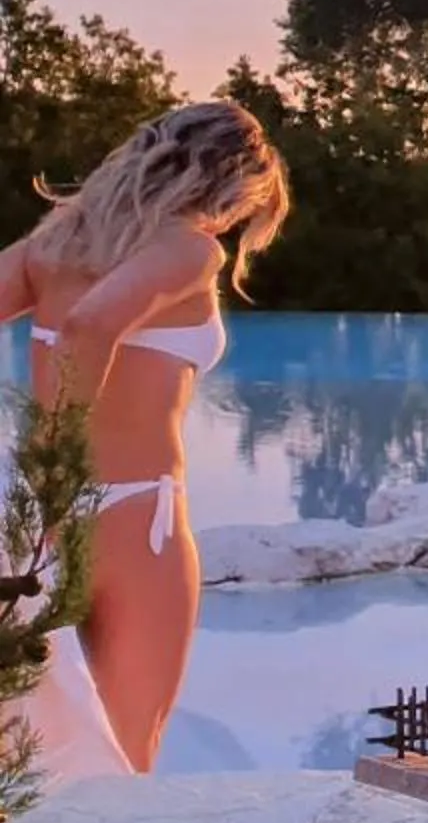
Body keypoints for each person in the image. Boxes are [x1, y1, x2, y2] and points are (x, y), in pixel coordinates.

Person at [0, 100, 291, 776]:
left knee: (25, 750)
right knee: (131, 759)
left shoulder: (59, 239)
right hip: (136, 516)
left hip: (30, 516)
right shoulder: (189, 248)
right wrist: (59, 455)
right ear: (228, 181)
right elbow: (90, 326)